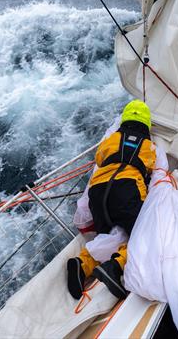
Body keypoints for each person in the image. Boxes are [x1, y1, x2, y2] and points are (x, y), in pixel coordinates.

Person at [67, 99, 156, 299]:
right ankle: (116, 266)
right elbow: (152, 170)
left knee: (108, 236)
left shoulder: (110, 140)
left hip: (98, 194)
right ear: (147, 125)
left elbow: (100, 159)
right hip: (127, 189)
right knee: (142, 233)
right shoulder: (149, 146)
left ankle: (82, 263)